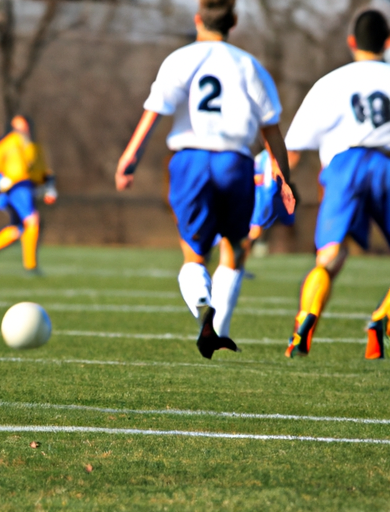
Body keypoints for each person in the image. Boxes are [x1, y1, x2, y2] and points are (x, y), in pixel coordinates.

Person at [115, 0, 294, 359]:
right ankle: (221, 328)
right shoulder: (248, 65)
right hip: (235, 160)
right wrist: (283, 177)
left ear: (198, 20)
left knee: (194, 252)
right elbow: (271, 128)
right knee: (236, 246)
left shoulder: (180, 60)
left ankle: (202, 306)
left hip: (190, 159)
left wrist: (129, 157)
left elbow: (153, 113)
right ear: (235, 22)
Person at [284, 9, 390, 359]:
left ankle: (305, 321)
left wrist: (280, 182)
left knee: (329, 257)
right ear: (387, 43)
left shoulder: (331, 81)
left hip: (343, 166)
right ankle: (381, 317)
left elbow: (294, 146)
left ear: (351, 43)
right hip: (386, 165)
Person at [0, 115, 57, 274]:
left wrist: (49, 187)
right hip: (16, 188)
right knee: (32, 220)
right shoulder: (6, 144)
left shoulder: (34, 146)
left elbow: (42, 171)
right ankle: (31, 266)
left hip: (29, 188)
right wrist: (0, 180)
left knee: (18, 229)